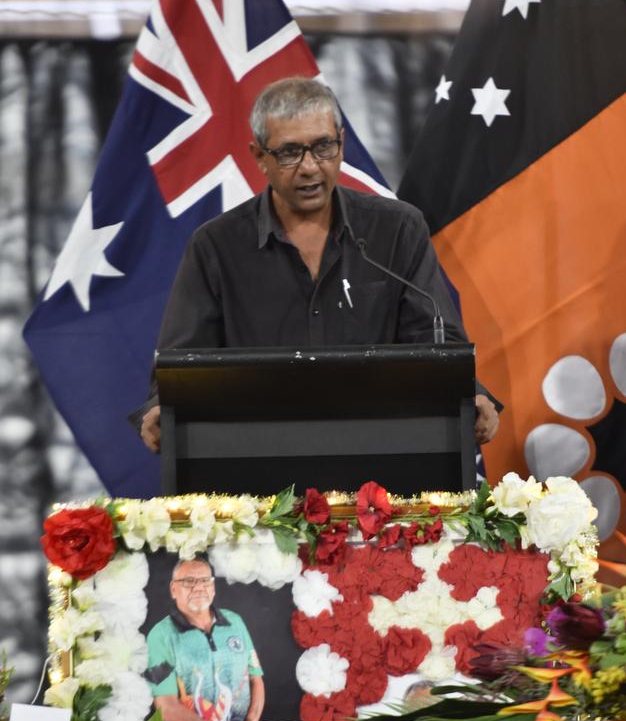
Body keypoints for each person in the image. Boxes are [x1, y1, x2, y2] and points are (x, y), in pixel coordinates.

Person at [139, 76, 500, 454]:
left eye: (323, 147)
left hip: (383, 459)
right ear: (260, 157)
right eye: (290, 152)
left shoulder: (396, 229)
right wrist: (160, 408)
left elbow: (436, 342)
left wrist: (470, 396)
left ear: (341, 144)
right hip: (258, 464)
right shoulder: (215, 246)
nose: (310, 167)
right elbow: (181, 365)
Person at [144, 557, 265, 721]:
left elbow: (256, 679)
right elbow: (166, 707)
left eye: (204, 581)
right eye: (188, 581)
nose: (199, 587)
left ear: (213, 588)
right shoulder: (159, 636)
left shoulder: (235, 623)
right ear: (173, 589)